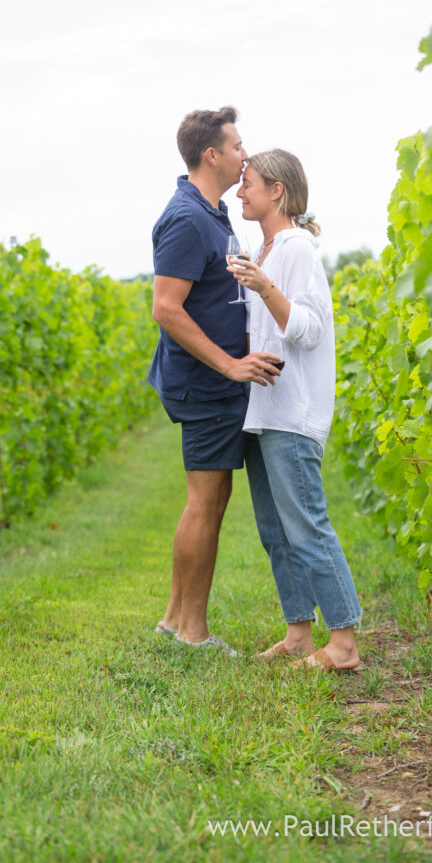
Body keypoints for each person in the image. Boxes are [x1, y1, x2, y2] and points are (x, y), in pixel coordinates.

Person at [148, 108, 280, 656]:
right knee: (206, 500)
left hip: (215, 383)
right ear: (212, 154)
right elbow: (166, 308)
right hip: (205, 383)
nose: (243, 155)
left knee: (208, 498)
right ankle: (193, 634)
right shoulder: (186, 218)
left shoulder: (213, 214)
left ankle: (175, 620)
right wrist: (228, 366)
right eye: (237, 146)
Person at [227, 149, 363, 671]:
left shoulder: (297, 249)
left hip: (293, 412)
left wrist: (265, 288)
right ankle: (299, 633)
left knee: (307, 526)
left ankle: (344, 643)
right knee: (274, 529)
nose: (241, 192)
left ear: (277, 190)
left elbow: (308, 329)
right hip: (263, 410)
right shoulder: (262, 251)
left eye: (249, 183)